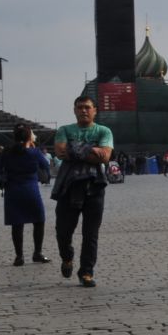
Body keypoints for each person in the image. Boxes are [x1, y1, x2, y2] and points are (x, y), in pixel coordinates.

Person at [53, 96, 115, 287]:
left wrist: (75, 149)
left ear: (95, 110)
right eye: (80, 107)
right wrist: (92, 150)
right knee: (63, 231)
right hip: (68, 186)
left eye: (87, 107)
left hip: (94, 186)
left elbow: (104, 157)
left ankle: (86, 271)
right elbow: (61, 152)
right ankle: (67, 256)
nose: (83, 111)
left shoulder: (104, 131)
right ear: (74, 110)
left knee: (91, 233)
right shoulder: (64, 130)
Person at [0, 124, 52, 266]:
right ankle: (37, 253)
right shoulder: (34, 152)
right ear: (29, 137)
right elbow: (46, 165)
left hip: (12, 191)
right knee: (39, 221)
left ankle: (19, 256)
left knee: (17, 224)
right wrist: (34, 148)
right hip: (31, 190)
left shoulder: (7, 152)